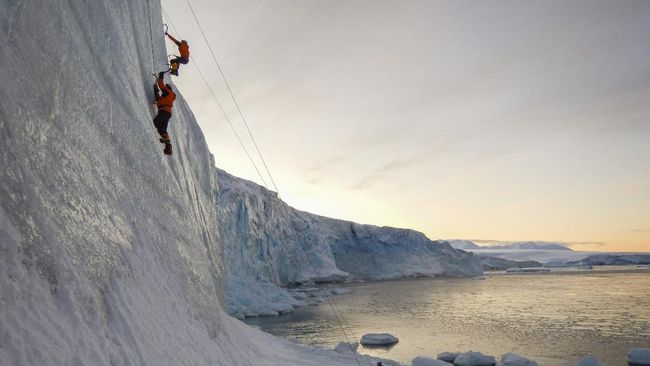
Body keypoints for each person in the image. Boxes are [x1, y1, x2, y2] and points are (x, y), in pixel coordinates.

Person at [153, 72, 176, 155]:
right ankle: (168, 146)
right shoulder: (166, 96)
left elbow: (161, 85)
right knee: (161, 129)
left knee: (156, 122)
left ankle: (167, 143)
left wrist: (161, 77)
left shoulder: (168, 92)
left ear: (168, 88)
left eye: (166, 87)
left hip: (164, 112)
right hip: (166, 113)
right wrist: (156, 92)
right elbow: (159, 101)